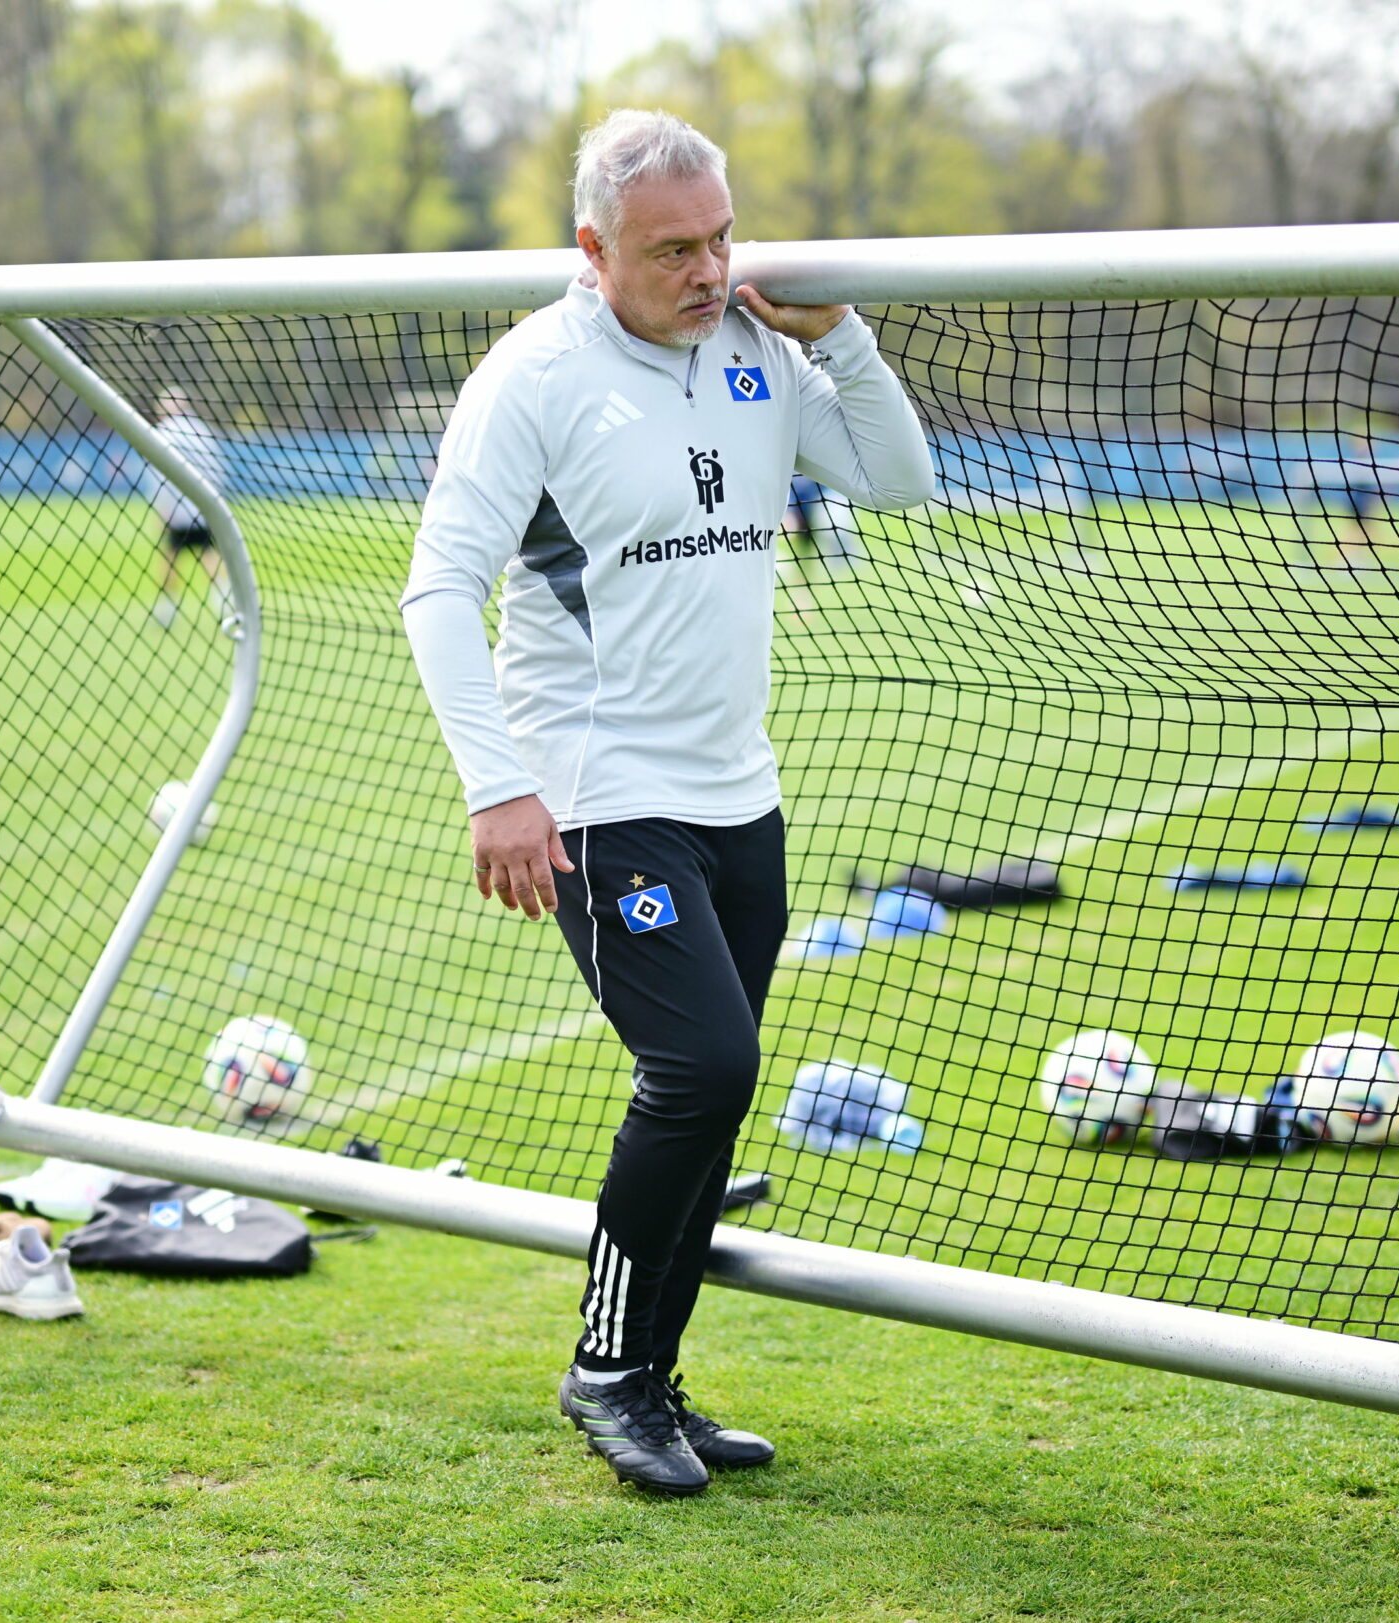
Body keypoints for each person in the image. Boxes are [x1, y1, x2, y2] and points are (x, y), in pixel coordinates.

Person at [399, 108, 933, 1497]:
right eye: (672, 251)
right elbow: (438, 589)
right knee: (703, 1069)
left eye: (720, 240)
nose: (708, 271)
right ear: (594, 250)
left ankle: (654, 1376)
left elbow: (896, 479)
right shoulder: (535, 375)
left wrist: (842, 338)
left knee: (711, 1098)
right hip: (595, 786)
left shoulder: (756, 349)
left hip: (736, 787)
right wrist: (499, 786)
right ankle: (606, 1369)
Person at [145, 389, 233, 628]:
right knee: (208, 553)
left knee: (170, 559)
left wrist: (161, 508)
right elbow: (218, 468)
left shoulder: (164, 433)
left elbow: (158, 475)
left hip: (177, 511)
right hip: (203, 508)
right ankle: (225, 603)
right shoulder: (201, 430)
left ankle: (167, 610)